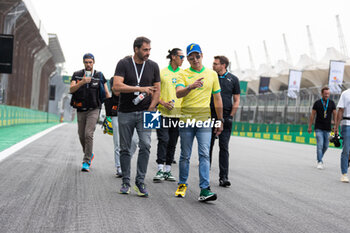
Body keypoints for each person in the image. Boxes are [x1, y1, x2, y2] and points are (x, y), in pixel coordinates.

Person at [175, 43, 223, 202]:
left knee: (204, 154)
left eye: (197, 56)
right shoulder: (183, 74)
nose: (195, 59)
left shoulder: (212, 75)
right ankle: (182, 184)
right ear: (187, 58)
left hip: (204, 121)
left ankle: (204, 189)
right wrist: (191, 86)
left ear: (202, 55)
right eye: (191, 57)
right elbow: (179, 93)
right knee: (185, 155)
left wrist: (220, 120)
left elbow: (217, 98)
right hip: (187, 120)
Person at [113, 37, 160, 196]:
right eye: (145, 50)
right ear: (136, 49)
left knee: (146, 145)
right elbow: (116, 87)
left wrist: (152, 108)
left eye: (149, 50)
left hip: (147, 112)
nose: (148, 53)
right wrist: (140, 88)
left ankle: (140, 182)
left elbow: (157, 89)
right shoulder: (123, 64)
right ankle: (126, 181)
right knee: (125, 148)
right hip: (125, 111)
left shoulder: (153, 66)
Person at [69, 53, 110, 172]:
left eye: (90, 62)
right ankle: (89, 154)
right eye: (86, 62)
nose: (88, 64)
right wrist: (81, 82)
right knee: (81, 135)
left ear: (94, 62)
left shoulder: (99, 75)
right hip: (81, 109)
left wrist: (109, 112)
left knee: (88, 134)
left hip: (94, 109)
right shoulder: (77, 75)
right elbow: (71, 89)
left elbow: (107, 93)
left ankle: (86, 161)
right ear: (83, 63)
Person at [153, 48, 184, 183]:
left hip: (178, 114)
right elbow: (155, 92)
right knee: (163, 139)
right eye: (181, 57)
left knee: (172, 142)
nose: (183, 59)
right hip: (163, 112)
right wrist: (163, 103)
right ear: (173, 57)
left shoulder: (184, 74)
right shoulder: (162, 72)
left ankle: (168, 170)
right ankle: (160, 168)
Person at [209, 55, 240, 187]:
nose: (213, 65)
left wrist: (230, 116)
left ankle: (224, 177)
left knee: (224, 147)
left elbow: (237, 100)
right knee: (207, 147)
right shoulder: (210, 77)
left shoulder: (233, 79)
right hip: (210, 117)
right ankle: (205, 173)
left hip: (226, 117)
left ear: (223, 65)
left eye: (215, 64)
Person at [107, 78, 139, 177]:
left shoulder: (134, 79)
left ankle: (125, 160)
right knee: (118, 141)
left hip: (132, 112)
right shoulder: (114, 79)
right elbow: (115, 91)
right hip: (116, 113)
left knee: (134, 141)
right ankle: (119, 166)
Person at [307, 87, 336, 169]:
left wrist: (335, 125)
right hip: (318, 127)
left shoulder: (332, 103)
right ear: (322, 94)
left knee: (326, 146)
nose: (327, 95)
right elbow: (312, 115)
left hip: (328, 128)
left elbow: (335, 114)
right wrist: (310, 126)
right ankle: (320, 161)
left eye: (328, 93)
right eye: (325, 93)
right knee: (320, 145)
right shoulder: (317, 103)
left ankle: (319, 158)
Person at [334, 88, 350, 182]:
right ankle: (344, 174)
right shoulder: (345, 94)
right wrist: (336, 127)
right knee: (346, 150)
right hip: (347, 124)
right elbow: (340, 111)